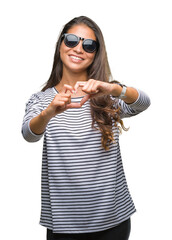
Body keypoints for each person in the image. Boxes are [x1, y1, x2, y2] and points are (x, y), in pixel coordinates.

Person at [22, 16, 151, 240]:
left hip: (113, 219)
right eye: (71, 40)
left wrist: (112, 88)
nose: (79, 48)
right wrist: (49, 112)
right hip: (64, 224)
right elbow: (29, 135)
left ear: (95, 54)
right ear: (60, 45)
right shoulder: (41, 100)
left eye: (88, 45)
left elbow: (143, 102)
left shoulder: (107, 95)